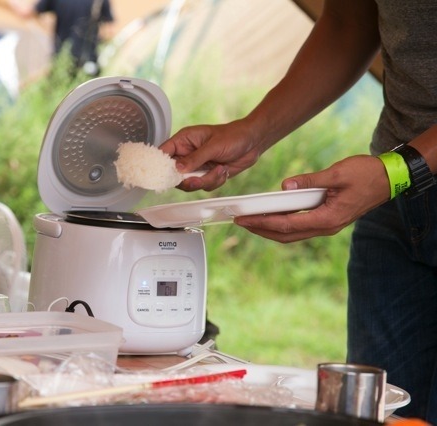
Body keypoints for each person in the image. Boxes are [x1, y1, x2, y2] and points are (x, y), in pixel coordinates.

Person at [160, 0, 437, 422]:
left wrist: (398, 170)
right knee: (377, 413)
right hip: (393, 203)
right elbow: (350, 21)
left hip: (395, 176)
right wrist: (253, 132)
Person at [6, 0, 114, 77]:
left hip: (63, 62)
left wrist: (12, 2)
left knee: (63, 105)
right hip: (88, 63)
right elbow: (109, 32)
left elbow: (25, 13)